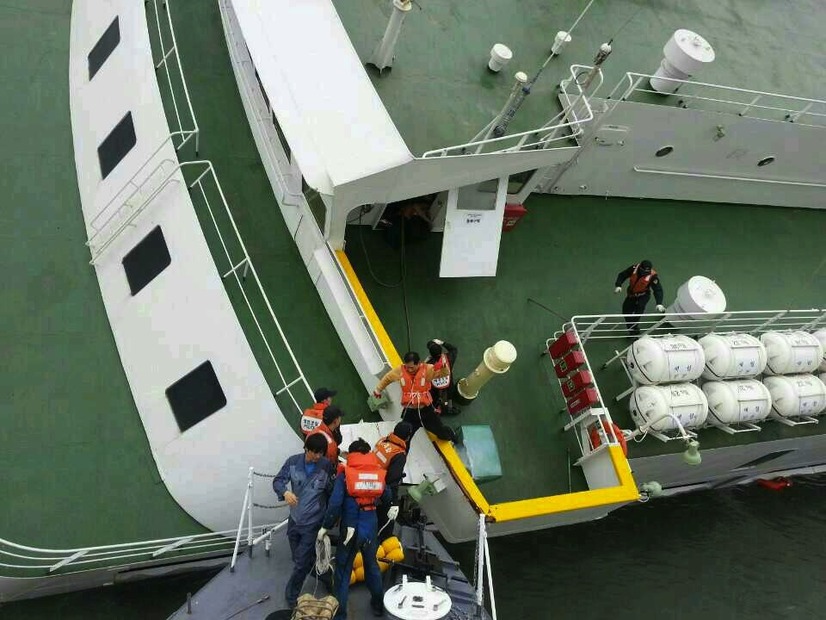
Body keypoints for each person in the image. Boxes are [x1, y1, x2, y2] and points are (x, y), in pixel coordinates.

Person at [317, 439, 397, 619]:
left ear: (351, 454)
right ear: (368, 453)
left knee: (343, 572)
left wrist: (326, 526)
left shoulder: (345, 474)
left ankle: (340, 615)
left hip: (351, 527)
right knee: (372, 566)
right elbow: (387, 496)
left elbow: (335, 503)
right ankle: (378, 605)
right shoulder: (377, 473)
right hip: (370, 524)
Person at [272, 434, 335, 608]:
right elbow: (278, 481)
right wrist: (285, 492)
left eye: (321, 453)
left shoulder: (326, 466)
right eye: (314, 452)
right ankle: (326, 576)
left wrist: (330, 518)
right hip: (294, 520)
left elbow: (331, 492)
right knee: (299, 558)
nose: (317, 457)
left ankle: (291, 596)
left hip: (313, 522)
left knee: (300, 563)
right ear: (306, 449)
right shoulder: (292, 462)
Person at [373, 352, 457, 442]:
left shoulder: (428, 369)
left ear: (418, 363)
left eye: (412, 367)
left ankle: (452, 436)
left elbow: (445, 374)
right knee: (403, 438)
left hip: (426, 410)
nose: (409, 370)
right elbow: (388, 378)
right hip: (410, 412)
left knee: (441, 431)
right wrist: (378, 390)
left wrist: (444, 366)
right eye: (407, 367)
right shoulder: (400, 371)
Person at [374, 421, 413, 540]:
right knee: (387, 516)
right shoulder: (399, 454)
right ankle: (383, 540)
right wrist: (394, 503)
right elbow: (393, 481)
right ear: (407, 437)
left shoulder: (382, 441)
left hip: (369, 478)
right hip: (379, 488)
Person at [614, 259, 665, 335]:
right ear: (640, 268)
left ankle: (634, 330)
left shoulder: (653, 276)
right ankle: (631, 328)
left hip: (643, 295)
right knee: (626, 311)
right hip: (632, 294)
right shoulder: (634, 268)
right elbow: (623, 275)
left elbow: (658, 289)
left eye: (647, 272)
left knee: (638, 312)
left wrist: (659, 303)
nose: (645, 273)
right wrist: (618, 285)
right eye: (644, 271)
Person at [425, 339, 459, 415]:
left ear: (431, 354)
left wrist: (425, 361)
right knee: (449, 395)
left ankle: (435, 409)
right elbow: (454, 349)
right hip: (448, 386)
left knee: (434, 398)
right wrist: (442, 343)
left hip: (435, 388)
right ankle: (449, 407)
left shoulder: (429, 365)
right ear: (441, 351)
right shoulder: (449, 358)